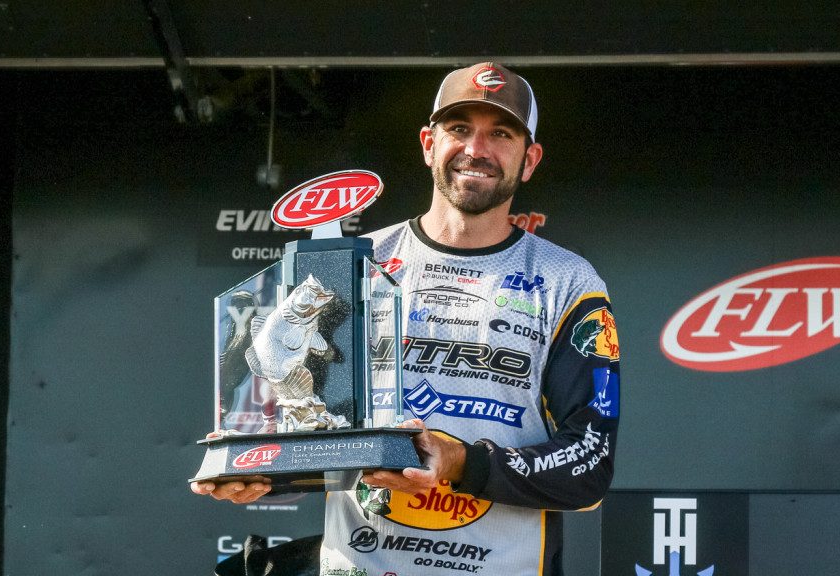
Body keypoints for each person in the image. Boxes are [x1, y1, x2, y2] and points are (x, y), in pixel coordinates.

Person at [193, 62, 621, 576]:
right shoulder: (358, 262)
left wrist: (462, 461)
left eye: (500, 134)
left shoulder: (568, 281)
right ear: (427, 143)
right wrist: (262, 471)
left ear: (529, 160)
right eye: (459, 129)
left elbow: (589, 463)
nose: (476, 149)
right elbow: (313, 419)